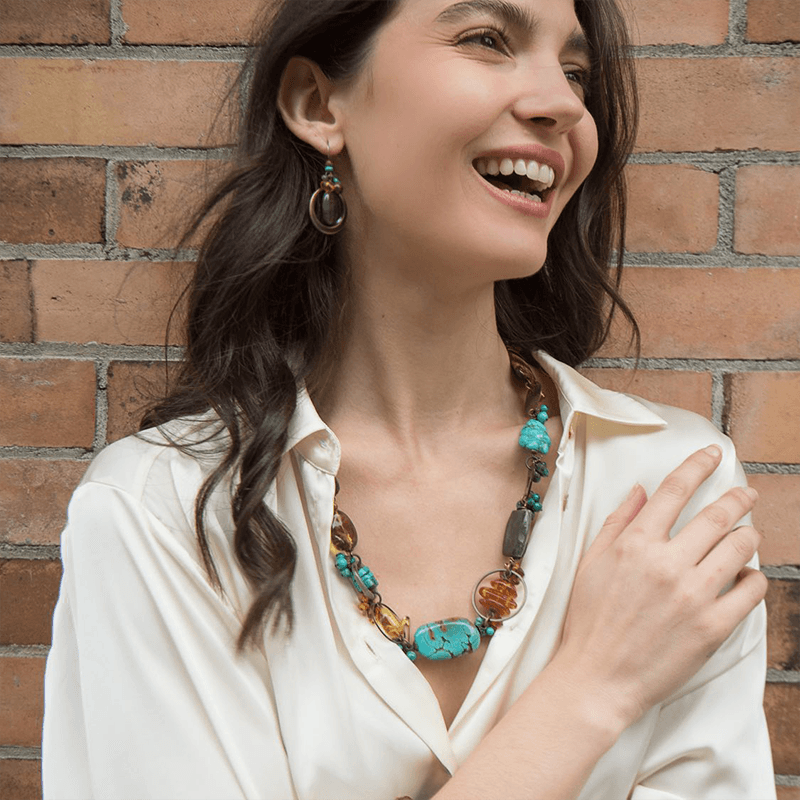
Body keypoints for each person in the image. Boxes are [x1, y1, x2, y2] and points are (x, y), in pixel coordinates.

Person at [42, 0, 775, 798]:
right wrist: (595, 687)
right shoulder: (161, 509)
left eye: (575, 72)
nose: (563, 105)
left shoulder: (672, 490)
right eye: (486, 40)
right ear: (320, 106)